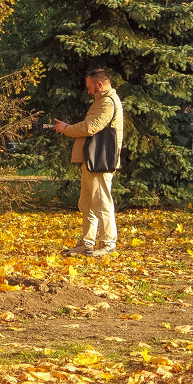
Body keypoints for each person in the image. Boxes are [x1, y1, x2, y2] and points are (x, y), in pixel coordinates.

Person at [54, 68, 124, 258]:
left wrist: (66, 128)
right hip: (93, 161)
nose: (89, 91)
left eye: (90, 87)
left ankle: (108, 243)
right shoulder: (101, 101)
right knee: (87, 203)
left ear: (99, 85)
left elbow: (90, 127)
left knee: (101, 202)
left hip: (100, 162)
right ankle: (87, 243)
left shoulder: (107, 102)